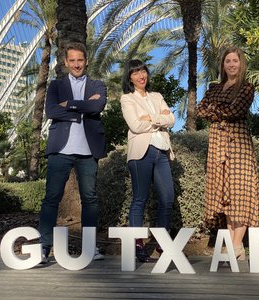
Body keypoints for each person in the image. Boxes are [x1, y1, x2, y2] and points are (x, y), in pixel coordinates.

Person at [38, 42, 107, 263]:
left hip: (88, 150)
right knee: (51, 197)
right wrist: (82, 107)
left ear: (86, 61)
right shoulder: (56, 86)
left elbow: (97, 107)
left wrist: (70, 105)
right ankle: (43, 246)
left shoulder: (97, 85)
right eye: (72, 60)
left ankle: (90, 247)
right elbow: (51, 111)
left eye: (80, 60)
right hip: (61, 150)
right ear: (66, 62)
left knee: (90, 199)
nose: (76, 64)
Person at [197, 47, 259, 260]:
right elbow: (200, 109)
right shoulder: (214, 88)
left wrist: (215, 111)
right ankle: (234, 246)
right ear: (222, 65)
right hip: (217, 145)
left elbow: (236, 111)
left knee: (239, 193)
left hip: (238, 144)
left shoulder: (247, 87)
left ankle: (235, 245)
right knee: (225, 195)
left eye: (235, 61)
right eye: (228, 61)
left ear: (241, 64)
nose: (232, 64)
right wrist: (219, 111)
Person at [120, 59, 175, 263]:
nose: (141, 75)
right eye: (135, 73)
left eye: (143, 71)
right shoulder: (127, 99)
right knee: (140, 198)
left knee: (167, 198)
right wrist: (159, 119)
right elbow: (134, 125)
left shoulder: (157, 96)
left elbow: (172, 119)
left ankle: (162, 244)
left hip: (161, 151)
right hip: (140, 153)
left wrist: (149, 119)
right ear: (130, 78)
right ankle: (137, 245)